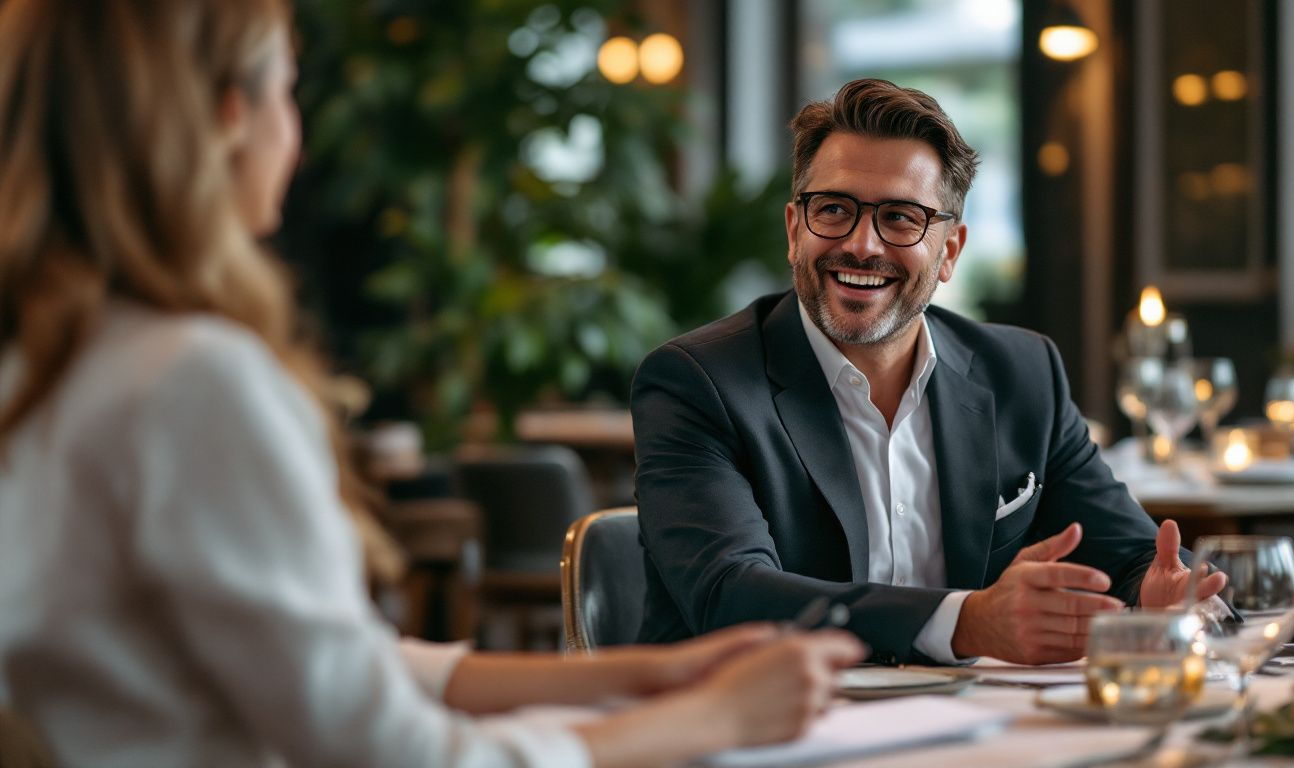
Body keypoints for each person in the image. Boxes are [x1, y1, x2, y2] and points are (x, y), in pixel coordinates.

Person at [0, 2, 866, 766]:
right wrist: (706, 720)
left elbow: (332, 666)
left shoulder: (49, 368)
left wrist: (647, 672)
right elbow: (390, 752)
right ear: (231, 115)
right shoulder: (191, 382)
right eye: (288, 93)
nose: (295, 136)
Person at [631, 79, 1224, 667]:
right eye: (834, 209)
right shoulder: (697, 383)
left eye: (900, 218)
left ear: (949, 252)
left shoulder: (1022, 373)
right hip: (749, 736)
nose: (862, 245)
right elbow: (730, 594)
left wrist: (1159, 592)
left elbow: (1127, 556)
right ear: (794, 231)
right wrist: (968, 622)